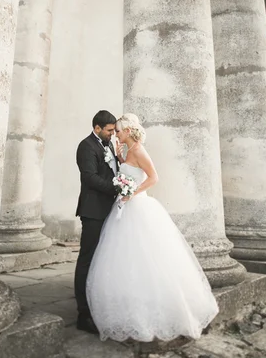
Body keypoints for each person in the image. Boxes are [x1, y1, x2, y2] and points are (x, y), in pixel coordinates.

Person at [86, 113, 219, 342]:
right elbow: (127, 173)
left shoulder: (138, 150)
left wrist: (131, 192)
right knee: (125, 257)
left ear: (128, 131)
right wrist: (119, 159)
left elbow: (154, 177)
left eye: (118, 130)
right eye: (114, 130)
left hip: (138, 206)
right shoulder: (127, 151)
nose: (116, 134)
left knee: (148, 255)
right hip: (125, 208)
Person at [74, 110, 120, 334]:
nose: (112, 134)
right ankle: (83, 313)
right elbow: (89, 178)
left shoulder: (108, 145)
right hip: (93, 210)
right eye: (110, 130)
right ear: (97, 127)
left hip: (108, 209)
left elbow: (112, 170)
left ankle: (96, 301)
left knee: (102, 258)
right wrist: (117, 187)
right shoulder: (86, 146)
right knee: (87, 258)